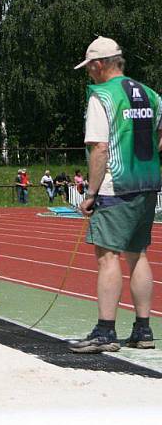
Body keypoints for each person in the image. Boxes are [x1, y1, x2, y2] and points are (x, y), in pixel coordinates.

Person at [70, 36, 160, 353]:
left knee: (108, 256)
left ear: (98, 64)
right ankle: (143, 329)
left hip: (115, 185)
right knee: (138, 255)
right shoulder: (149, 94)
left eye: (89, 68)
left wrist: (91, 192)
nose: (89, 74)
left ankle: (105, 331)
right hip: (147, 182)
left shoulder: (101, 96)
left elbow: (99, 147)